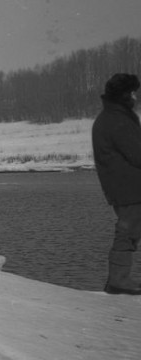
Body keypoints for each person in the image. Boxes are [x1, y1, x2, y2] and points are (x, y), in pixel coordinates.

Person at [92, 73, 141, 295]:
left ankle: (119, 280)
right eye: (132, 92)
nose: (135, 96)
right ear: (124, 95)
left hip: (124, 186)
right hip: (129, 187)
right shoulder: (118, 120)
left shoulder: (113, 116)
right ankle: (118, 281)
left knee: (129, 230)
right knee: (127, 231)